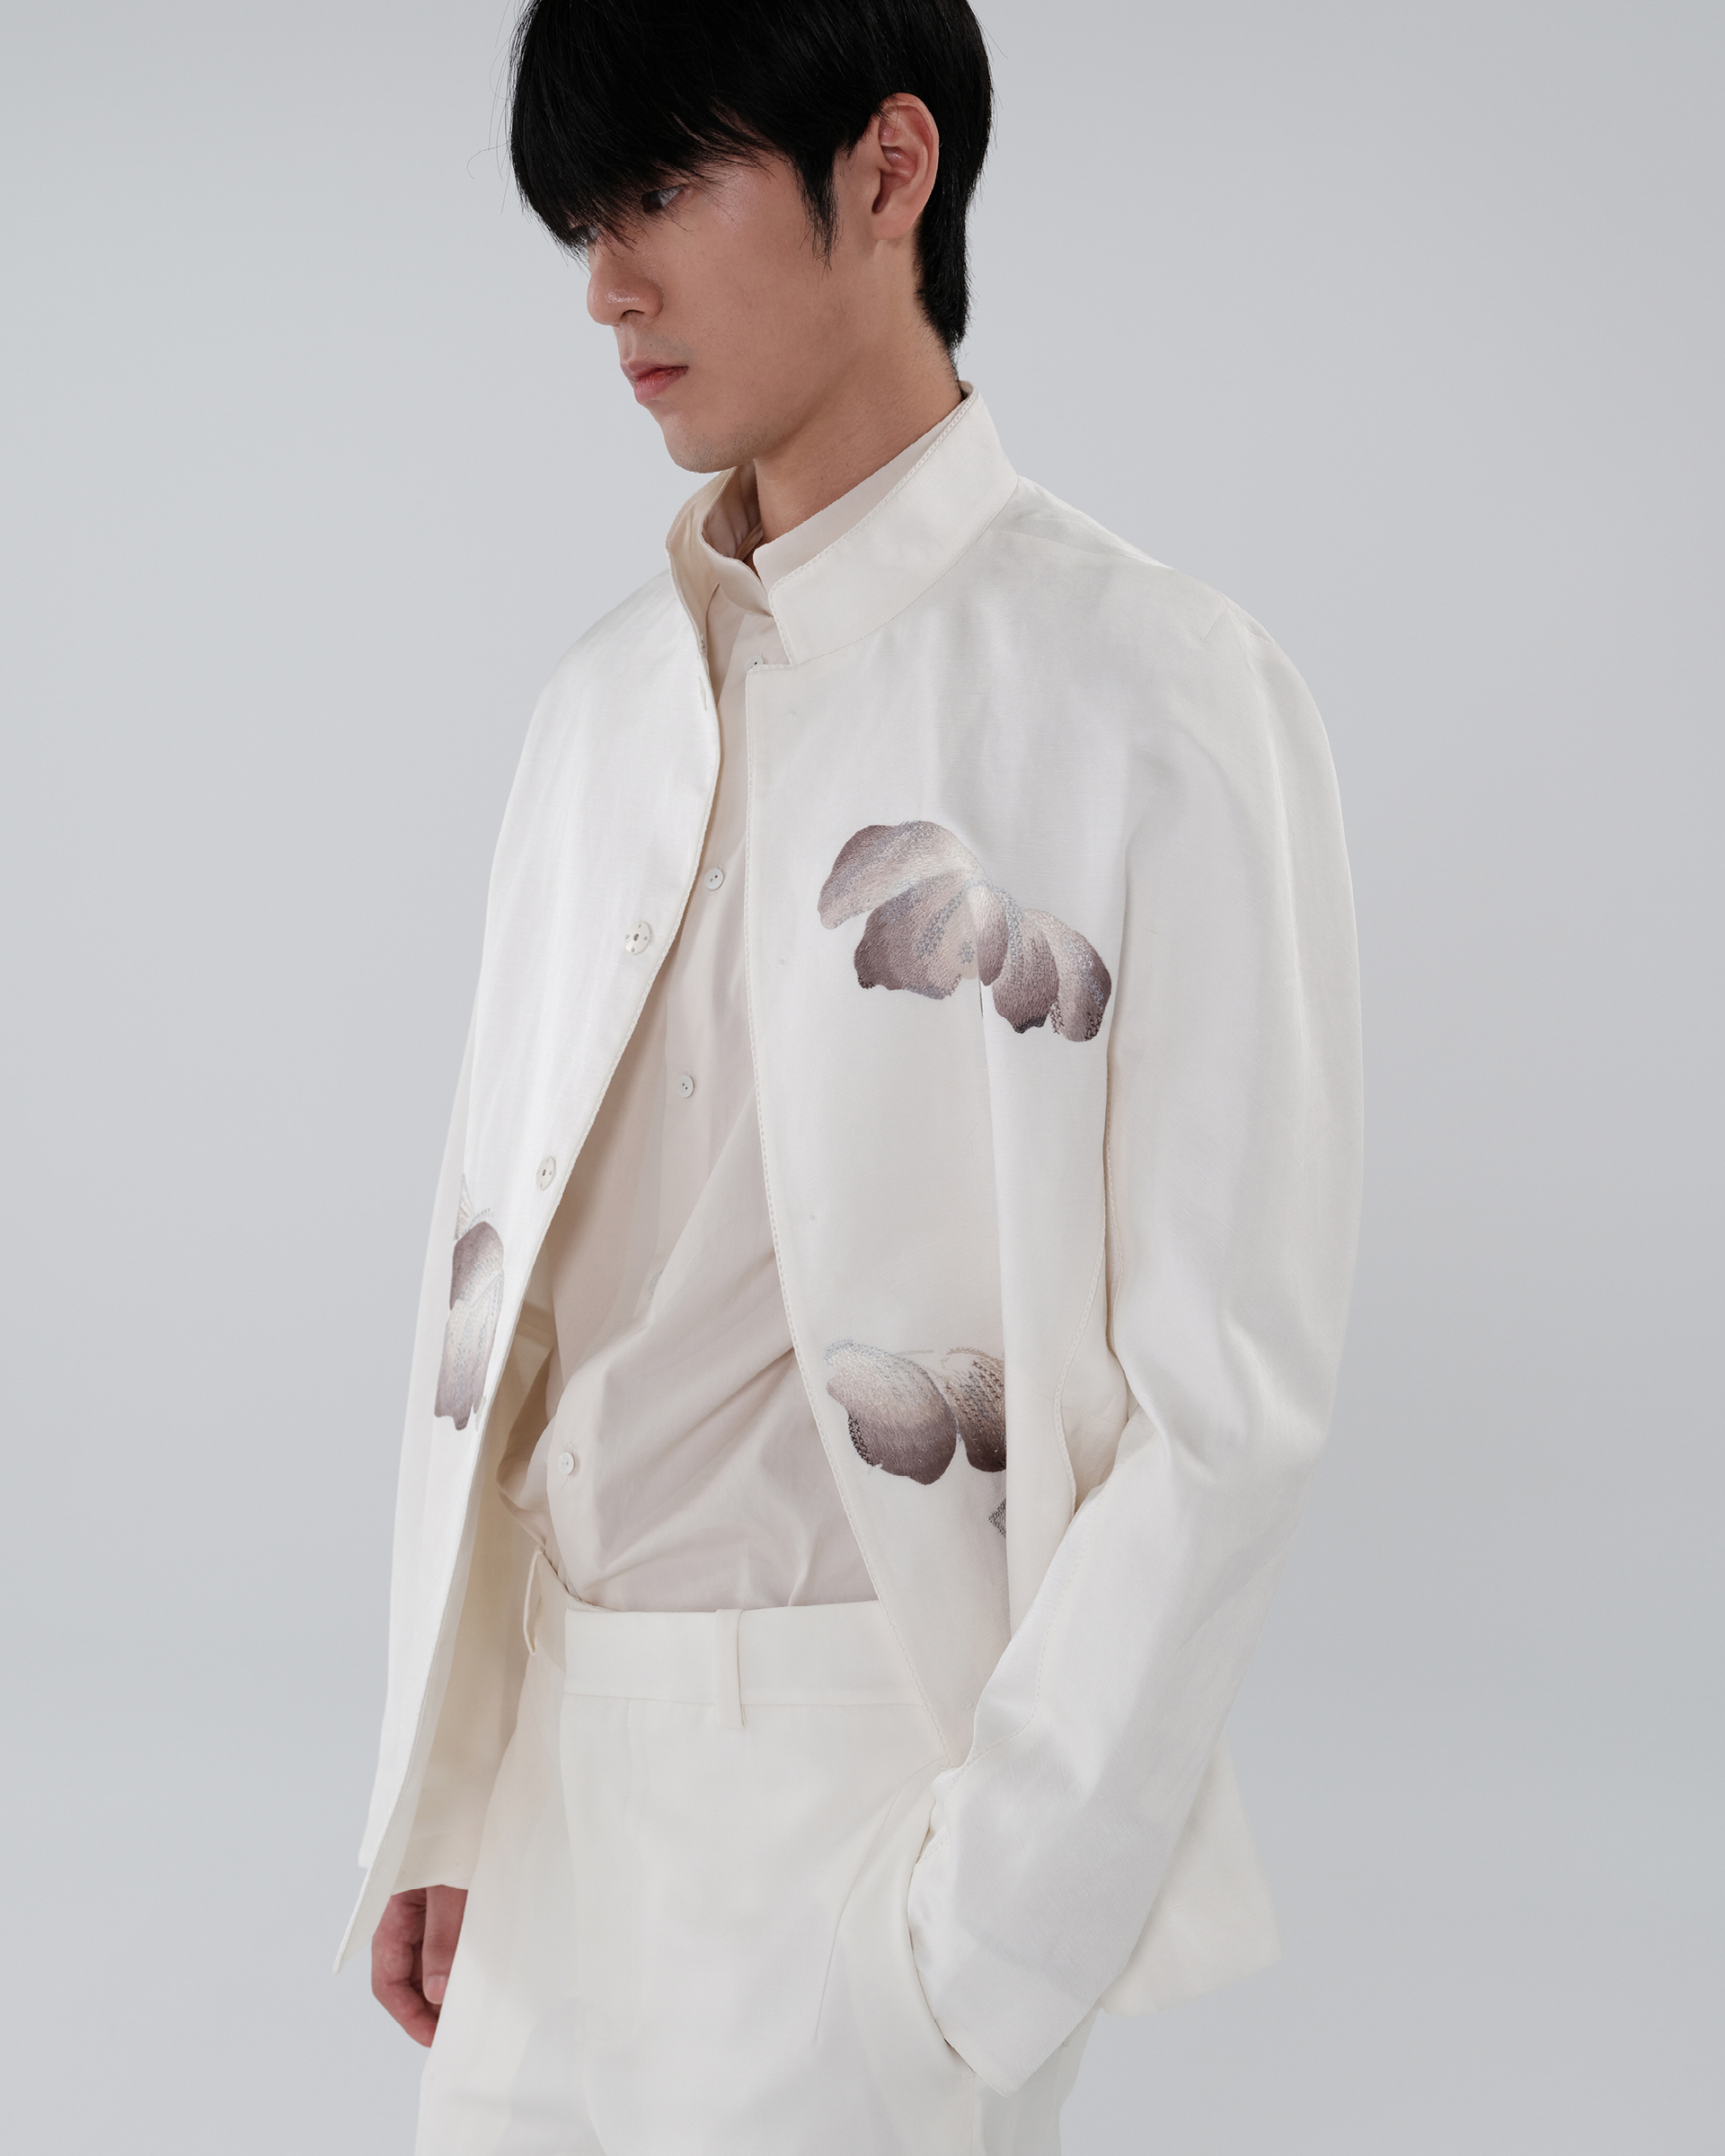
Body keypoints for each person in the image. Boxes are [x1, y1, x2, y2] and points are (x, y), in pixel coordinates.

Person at [341, 2, 1363, 2149]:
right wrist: (448, 1769)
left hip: (866, 1811)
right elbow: (509, 1295)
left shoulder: (1154, 696)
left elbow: (1227, 1398)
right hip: (545, 1819)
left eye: (661, 190)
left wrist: (981, 1944)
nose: (608, 286)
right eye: (585, 218)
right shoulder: (595, 715)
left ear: (889, 168)